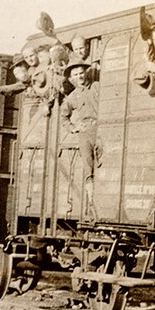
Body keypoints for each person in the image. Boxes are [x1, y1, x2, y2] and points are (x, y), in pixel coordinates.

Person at [59, 60, 100, 216]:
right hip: (86, 132)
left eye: (81, 73)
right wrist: (74, 128)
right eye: (75, 75)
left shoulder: (97, 87)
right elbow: (64, 118)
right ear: (71, 79)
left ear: (86, 73)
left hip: (102, 128)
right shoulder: (71, 98)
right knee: (89, 167)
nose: (79, 77)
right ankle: (92, 204)